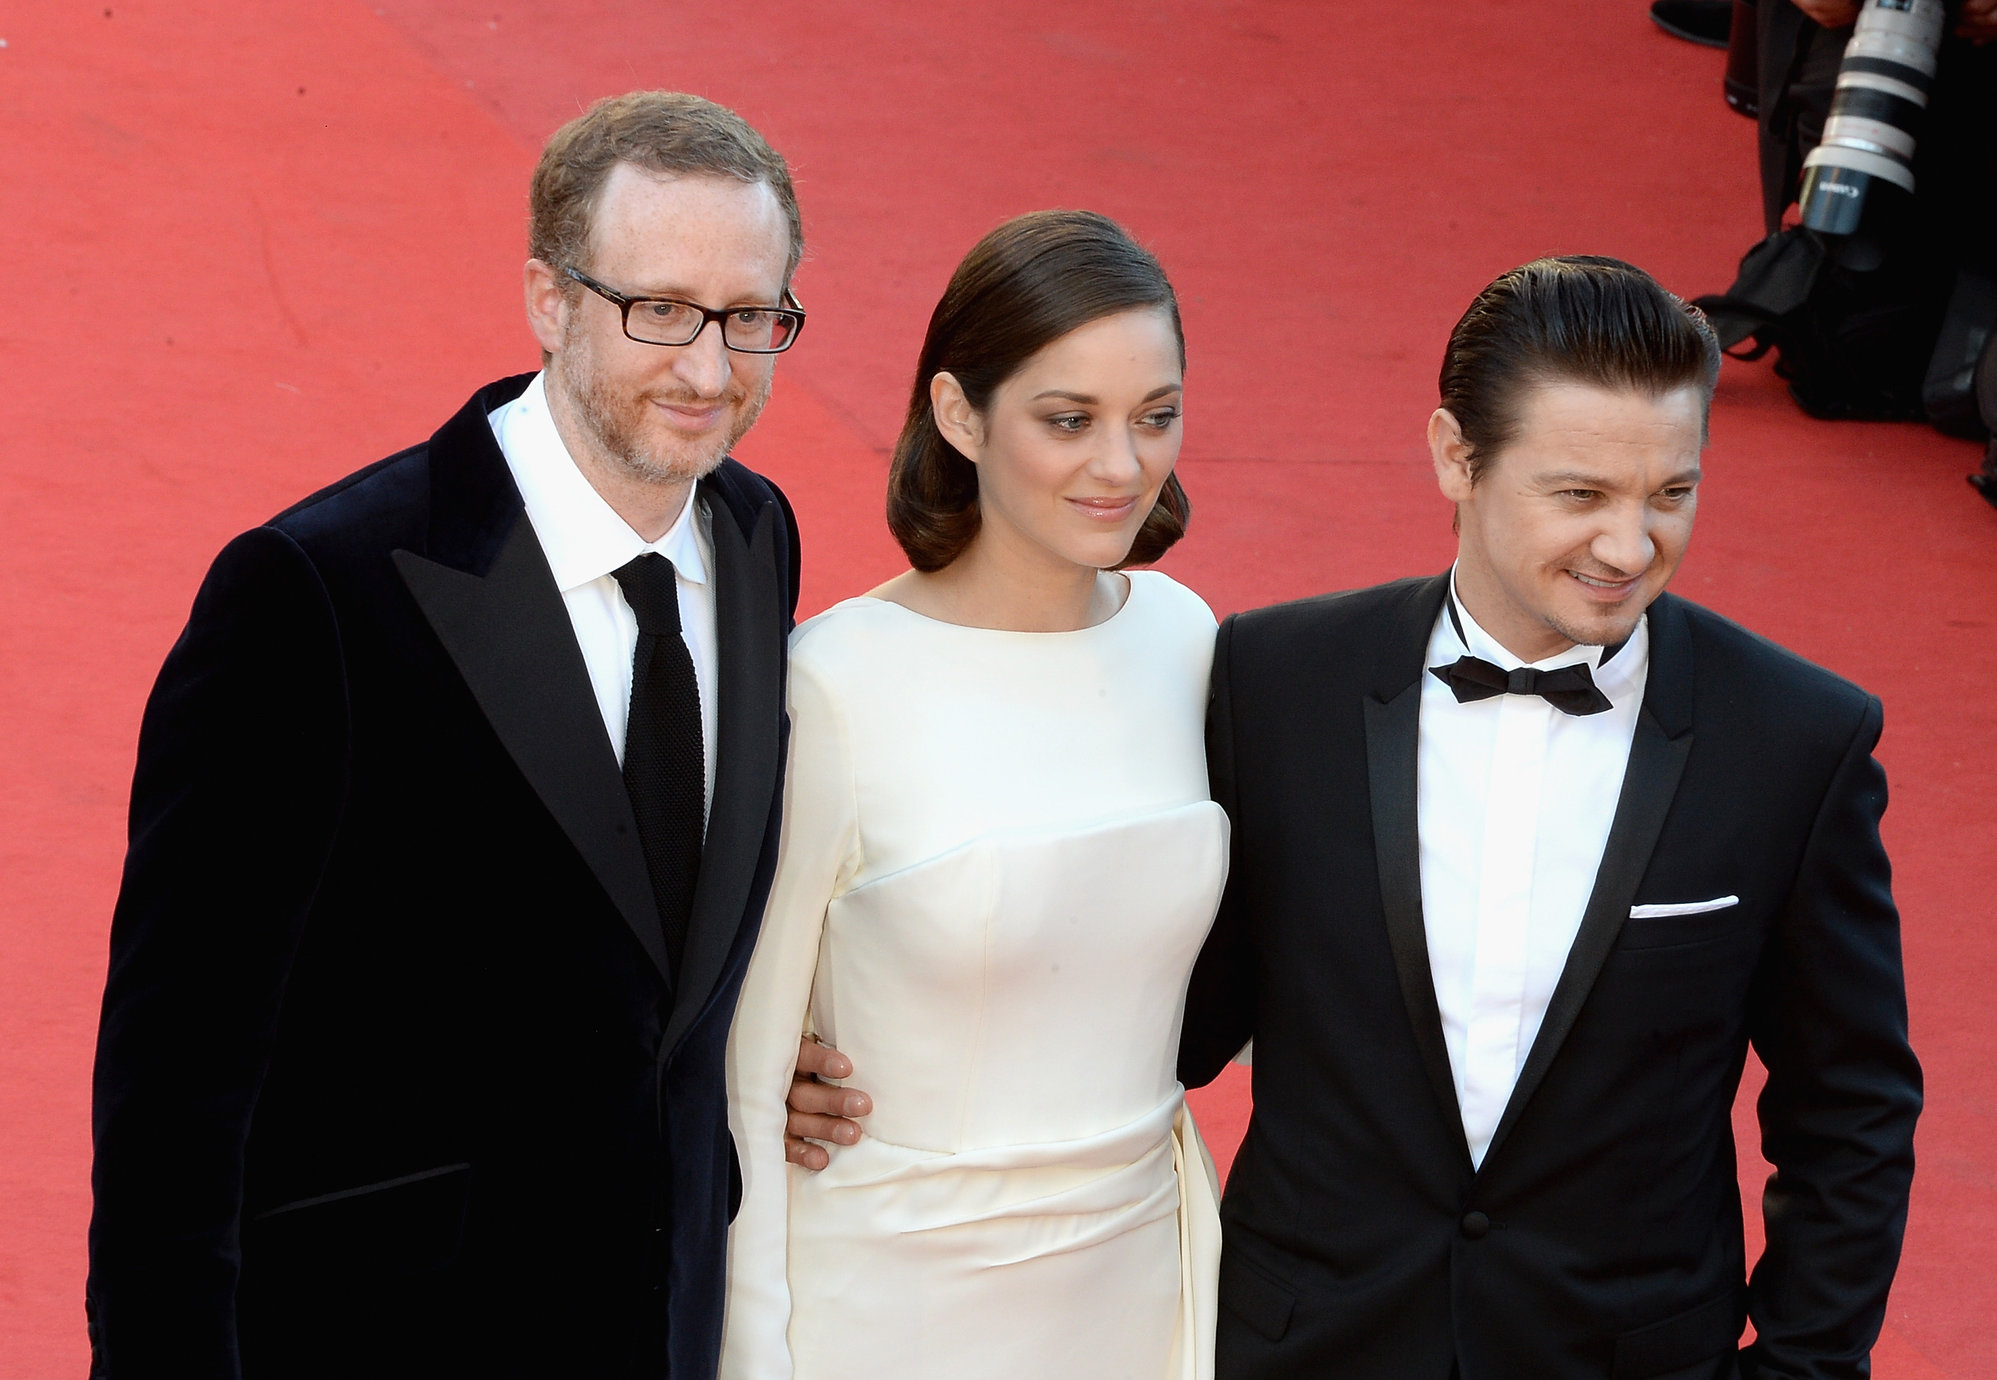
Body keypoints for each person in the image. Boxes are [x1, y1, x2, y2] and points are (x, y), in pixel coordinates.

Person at [792, 256, 1921, 1379]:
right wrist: (845, 1059)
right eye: (1577, 495)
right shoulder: (1277, 682)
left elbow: (1851, 1114)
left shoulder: (1791, 741)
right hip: (1309, 1349)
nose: (1628, 548)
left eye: (1669, 493)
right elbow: (1167, 997)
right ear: (1452, 456)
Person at [86, 91, 803, 1380]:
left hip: (665, 1324)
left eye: (751, 319)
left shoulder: (754, 539)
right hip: (389, 1332)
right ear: (547, 297)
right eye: (660, 312)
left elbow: (647, 950)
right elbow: (176, 1081)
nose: (708, 370)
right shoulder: (316, 593)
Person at [721, 210, 1224, 1380]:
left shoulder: (1185, 641)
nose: (1120, 466)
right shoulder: (835, 686)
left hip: (1137, 1290)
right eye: (1066, 420)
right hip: (886, 1310)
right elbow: (746, 1090)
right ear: (959, 414)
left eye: (1155, 416)